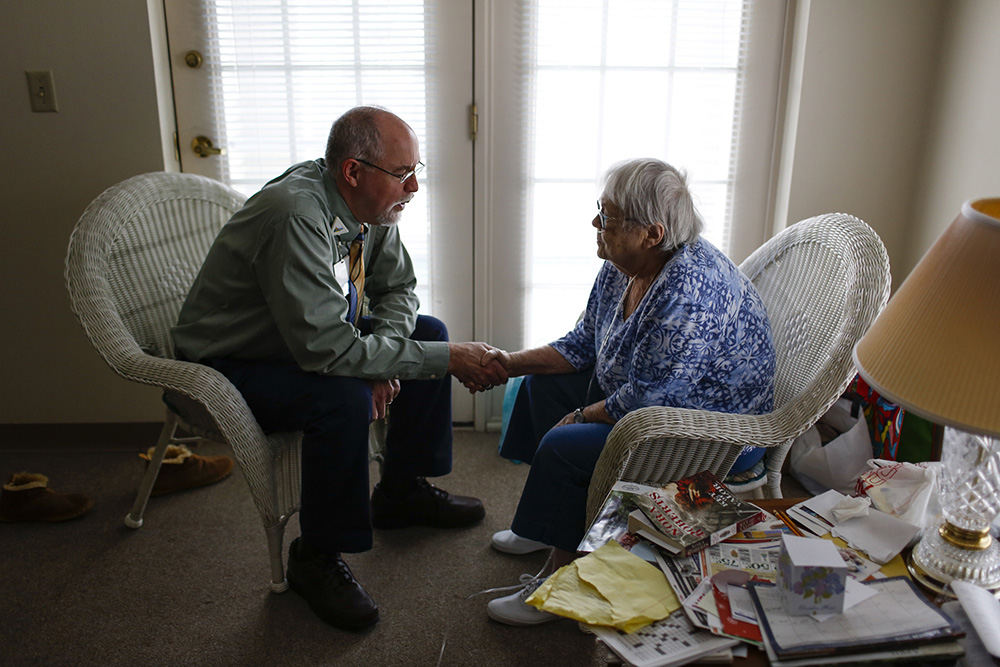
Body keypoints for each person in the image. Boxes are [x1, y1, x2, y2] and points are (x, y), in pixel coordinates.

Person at [172, 106, 507, 632]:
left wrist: (385, 353)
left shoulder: (372, 207)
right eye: (404, 173)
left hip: (300, 338)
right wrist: (418, 363)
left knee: (430, 332)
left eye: (419, 169)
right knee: (345, 397)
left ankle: (399, 492)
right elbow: (325, 351)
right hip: (229, 361)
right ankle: (315, 557)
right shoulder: (295, 214)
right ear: (353, 171)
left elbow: (397, 289)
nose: (415, 186)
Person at [480, 158, 776, 626]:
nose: (596, 223)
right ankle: (549, 523)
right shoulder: (624, 263)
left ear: (652, 234)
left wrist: (581, 416)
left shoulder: (689, 290)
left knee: (563, 445)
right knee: (540, 387)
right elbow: (583, 344)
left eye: (610, 217)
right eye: (601, 209)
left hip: (712, 430)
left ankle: (559, 584)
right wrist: (507, 363)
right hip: (650, 395)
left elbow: (653, 401)